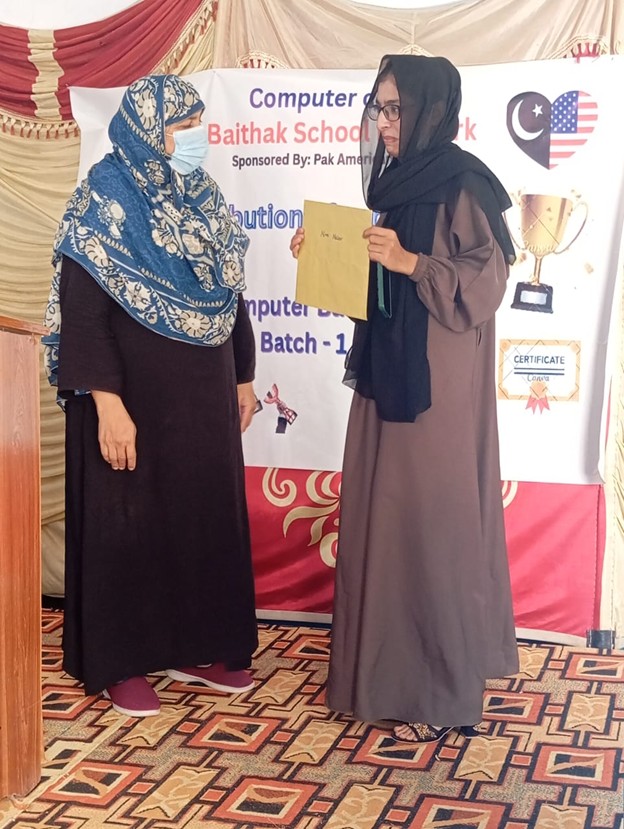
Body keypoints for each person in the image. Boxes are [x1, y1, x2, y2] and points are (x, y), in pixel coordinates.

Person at [290, 55, 519, 743]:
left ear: (429, 110)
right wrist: (324, 256)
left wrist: (410, 261)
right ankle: (383, 681)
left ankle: (439, 691)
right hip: (389, 376)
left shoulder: (464, 183)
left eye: (396, 109)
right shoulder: (395, 186)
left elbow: (485, 282)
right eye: (380, 108)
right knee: (387, 522)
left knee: (431, 527)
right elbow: (381, 293)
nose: (385, 123)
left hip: (436, 390)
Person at [43, 74, 258, 717]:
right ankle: (123, 660)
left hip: (201, 402)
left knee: (200, 515)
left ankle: (198, 646)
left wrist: (242, 376)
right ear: (146, 130)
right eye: (181, 125)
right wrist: (106, 403)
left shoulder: (204, 199)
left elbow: (230, 293)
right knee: (128, 524)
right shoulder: (103, 199)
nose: (195, 136)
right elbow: (83, 313)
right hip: (132, 401)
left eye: (197, 122)